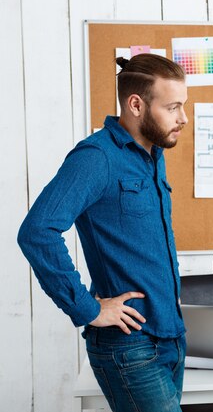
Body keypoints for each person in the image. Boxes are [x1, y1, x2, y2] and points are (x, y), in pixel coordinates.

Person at [18, 53, 189, 412]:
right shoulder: (96, 158)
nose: (183, 118)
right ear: (136, 104)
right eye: (172, 107)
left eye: (183, 106)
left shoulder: (152, 154)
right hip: (130, 347)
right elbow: (37, 231)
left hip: (171, 338)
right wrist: (87, 308)